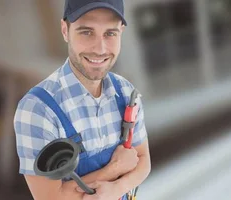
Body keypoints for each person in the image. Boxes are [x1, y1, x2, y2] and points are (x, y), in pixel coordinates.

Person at [13, 0, 151, 199]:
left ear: (121, 31)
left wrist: (117, 188)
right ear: (65, 30)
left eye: (110, 33)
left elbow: (143, 160)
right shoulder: (37, 109)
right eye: (86, 32)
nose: (100, 48)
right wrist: (114, 169)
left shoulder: (127, 93)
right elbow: (50, 198)